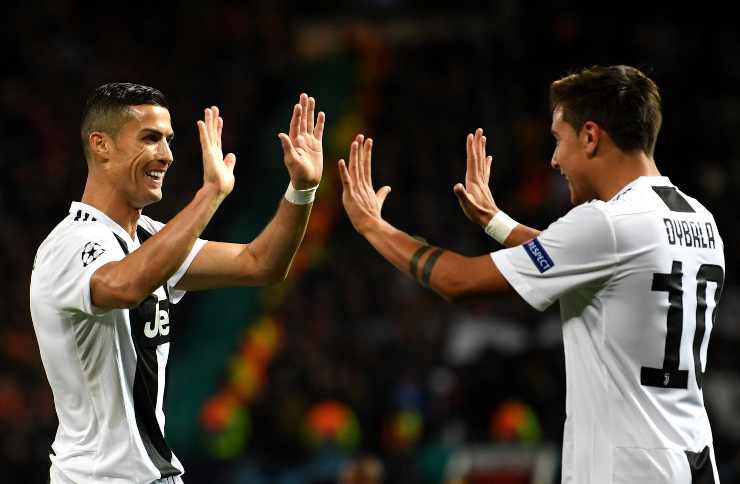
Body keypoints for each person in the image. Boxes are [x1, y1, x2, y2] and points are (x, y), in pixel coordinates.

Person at [339, 65, 724, 483]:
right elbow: (587, 258)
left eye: (559, 139)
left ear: (591, 136)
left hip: (629, 468)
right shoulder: (699, 220)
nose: (555, 158)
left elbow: (459, 280)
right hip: (693, 456)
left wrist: (373, 227)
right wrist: (495, 221)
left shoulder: (607, 224)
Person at [29, 83, 325, 484]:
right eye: (150, 139)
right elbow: (124, 285)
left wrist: (302, 189)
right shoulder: (69, 244)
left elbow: (261, 263)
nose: (167, 155)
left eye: (169, 140)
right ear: (101, 146)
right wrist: (211, 194)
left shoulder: (151, 238)